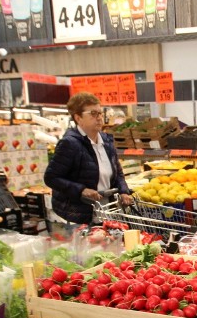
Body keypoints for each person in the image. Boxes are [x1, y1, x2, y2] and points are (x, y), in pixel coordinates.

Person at [44, 92, 133, 225]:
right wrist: (81, 190)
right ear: (78, 118)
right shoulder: (70, 144)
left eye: (100, 113)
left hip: (106, 211)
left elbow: (118, 173)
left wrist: (123, 191)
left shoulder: (106, 141)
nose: (99, 118)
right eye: (93, 113)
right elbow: (51, 178)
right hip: (79, 214)